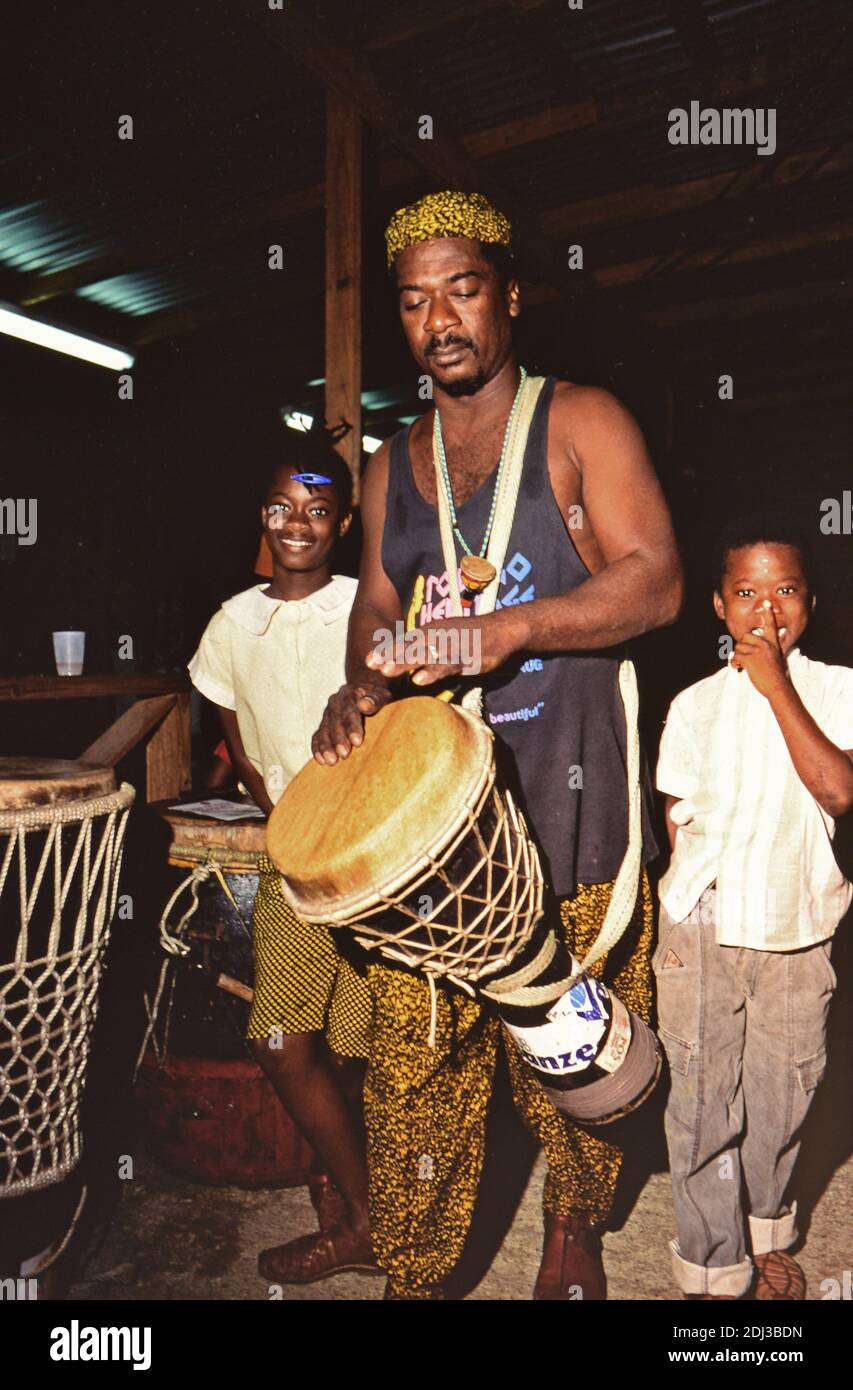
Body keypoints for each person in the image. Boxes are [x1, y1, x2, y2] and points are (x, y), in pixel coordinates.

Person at [313, 191, 683, 1300]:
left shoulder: (584, 420)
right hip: (440, 833)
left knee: (576, 1045)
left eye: (462, 289)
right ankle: (418, 1270)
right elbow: (375, 604)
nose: (441, 320)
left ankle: (571, 1230)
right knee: (418, 1059)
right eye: (417, 302)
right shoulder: (391, 460)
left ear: (508, 296)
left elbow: (656, 580)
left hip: (574, 808)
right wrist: (358, 681)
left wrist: (506, 626)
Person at [188, 437, 378, 1282]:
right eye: (280, 508)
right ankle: (368, 1214)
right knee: (279, 1040)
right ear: (260, 516)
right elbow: (245, 748)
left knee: (355, 1043)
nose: (297, 524)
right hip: (292, 858)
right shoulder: (234, 622)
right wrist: (283, 825)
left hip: (373, 856)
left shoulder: (361, 608)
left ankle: (339, 1211)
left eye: (317, 509)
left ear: (344, 521)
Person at [655, 514, 853, 1300]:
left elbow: (837, 789)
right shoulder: (694, 703)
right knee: (701, 1095)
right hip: (702, 924)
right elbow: (677, 818)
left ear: (808, 602)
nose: (764, 610)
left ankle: (766, 1225)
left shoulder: (837, 689)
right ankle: (710, 1260)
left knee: (785, 1088)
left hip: (797, 922)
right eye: (745, 592)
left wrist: (776, 688)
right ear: (717, 605)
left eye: (784, 591)